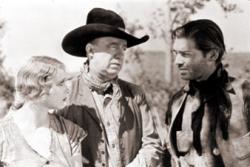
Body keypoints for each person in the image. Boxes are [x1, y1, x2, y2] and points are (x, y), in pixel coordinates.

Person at [58, 7, 163, 167]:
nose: (120, 53)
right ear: (90, 51)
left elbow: (152, 144)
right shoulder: (63, 93)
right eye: (113, 46)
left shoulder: (135, 94)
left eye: (123, 48)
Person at [165, 19, 250, 167]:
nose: (177, 61)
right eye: (175, 53)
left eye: (185, 54)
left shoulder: (244, 94)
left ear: (212, 55)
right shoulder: (177, 103)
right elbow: (169, 158)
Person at [0, 56, 86, 167]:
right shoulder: (3, 135)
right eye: (61, 83)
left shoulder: (70, 132)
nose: (67, 89)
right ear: (38, 87)